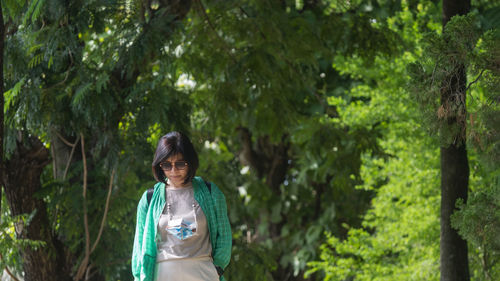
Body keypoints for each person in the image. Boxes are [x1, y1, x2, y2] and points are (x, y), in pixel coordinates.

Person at [132, 131, 232, 281]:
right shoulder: (149, 198)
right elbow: (139, 247)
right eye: (167, 165)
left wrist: (216, 269)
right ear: (160, 166)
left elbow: (224, 237)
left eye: (180, 163)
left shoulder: (211, 193)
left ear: (190, 162)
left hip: (203, 274)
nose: (173, 171)